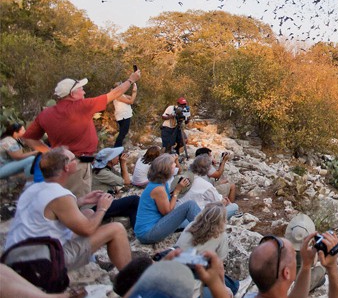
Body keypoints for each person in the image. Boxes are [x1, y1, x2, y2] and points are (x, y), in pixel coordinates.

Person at [4, 148, 132, 271]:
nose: (76, 160)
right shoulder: (60, 195)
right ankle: (130, 281)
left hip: (19, 254)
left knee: (88, 212)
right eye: (73, 159)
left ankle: (91, 259)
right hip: (42, 262)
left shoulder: (34, 188)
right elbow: (88, 230)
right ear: (67, 167)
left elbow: (50, 209)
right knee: (117, 229)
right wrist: (102, 208)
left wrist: (82, 201)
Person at [22, 69, 142, 197]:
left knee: (62, 199)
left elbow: (29, 138)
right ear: (72, 94)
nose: (84, 91)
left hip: (59, 165)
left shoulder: (46, 114)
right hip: (77, 166)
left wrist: (50, 152)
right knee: (78, 202)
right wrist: (131, 80)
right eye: (81, 89)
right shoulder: (82, 106)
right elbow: (114, 94)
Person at [246, 231, 338, 298]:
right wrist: (332, 267)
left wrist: (306, 265)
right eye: (294, 255)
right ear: (286, 273)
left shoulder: (248, 296)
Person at [176, 202, 240, 298]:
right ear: (222, 219)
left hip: (178, 269)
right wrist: (223, 287)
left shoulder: (191, 225)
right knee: (233, 285)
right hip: (196, 277)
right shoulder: (221, 235)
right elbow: (219, 266)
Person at [134, 154, 201, 244]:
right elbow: (167, 212)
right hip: (147, 233)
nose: (174, 165)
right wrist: (177, 190)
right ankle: (205, 234)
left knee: (191, 218)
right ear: (166, 170)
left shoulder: (161, 183)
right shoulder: (158, 189)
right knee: (190, 205)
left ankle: (205, 227)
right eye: (172, 164)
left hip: (156, 223)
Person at [177, 154, 239, 219]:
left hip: (180, 213)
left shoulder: (182, 178)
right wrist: (227, 202)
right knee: (234, 206)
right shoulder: (205, 185)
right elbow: (221, 202)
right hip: (198, 217)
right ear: (208, 169)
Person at [283, 213, 326, 292]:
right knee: (321, 270)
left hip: (283, 280)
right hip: (297, 284)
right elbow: (313, 264)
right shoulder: (307, 253)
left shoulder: (282, 247)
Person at [112, 80, 137, 148]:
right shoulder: (118, 96)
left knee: (123, 133)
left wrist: (134, 91)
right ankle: (116, 149)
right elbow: (131, 102)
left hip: (125, 116)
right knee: (122, 133)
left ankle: (117, 148)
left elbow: (132, 98)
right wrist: (134, 92)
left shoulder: (122, 95)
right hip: (123, 116)